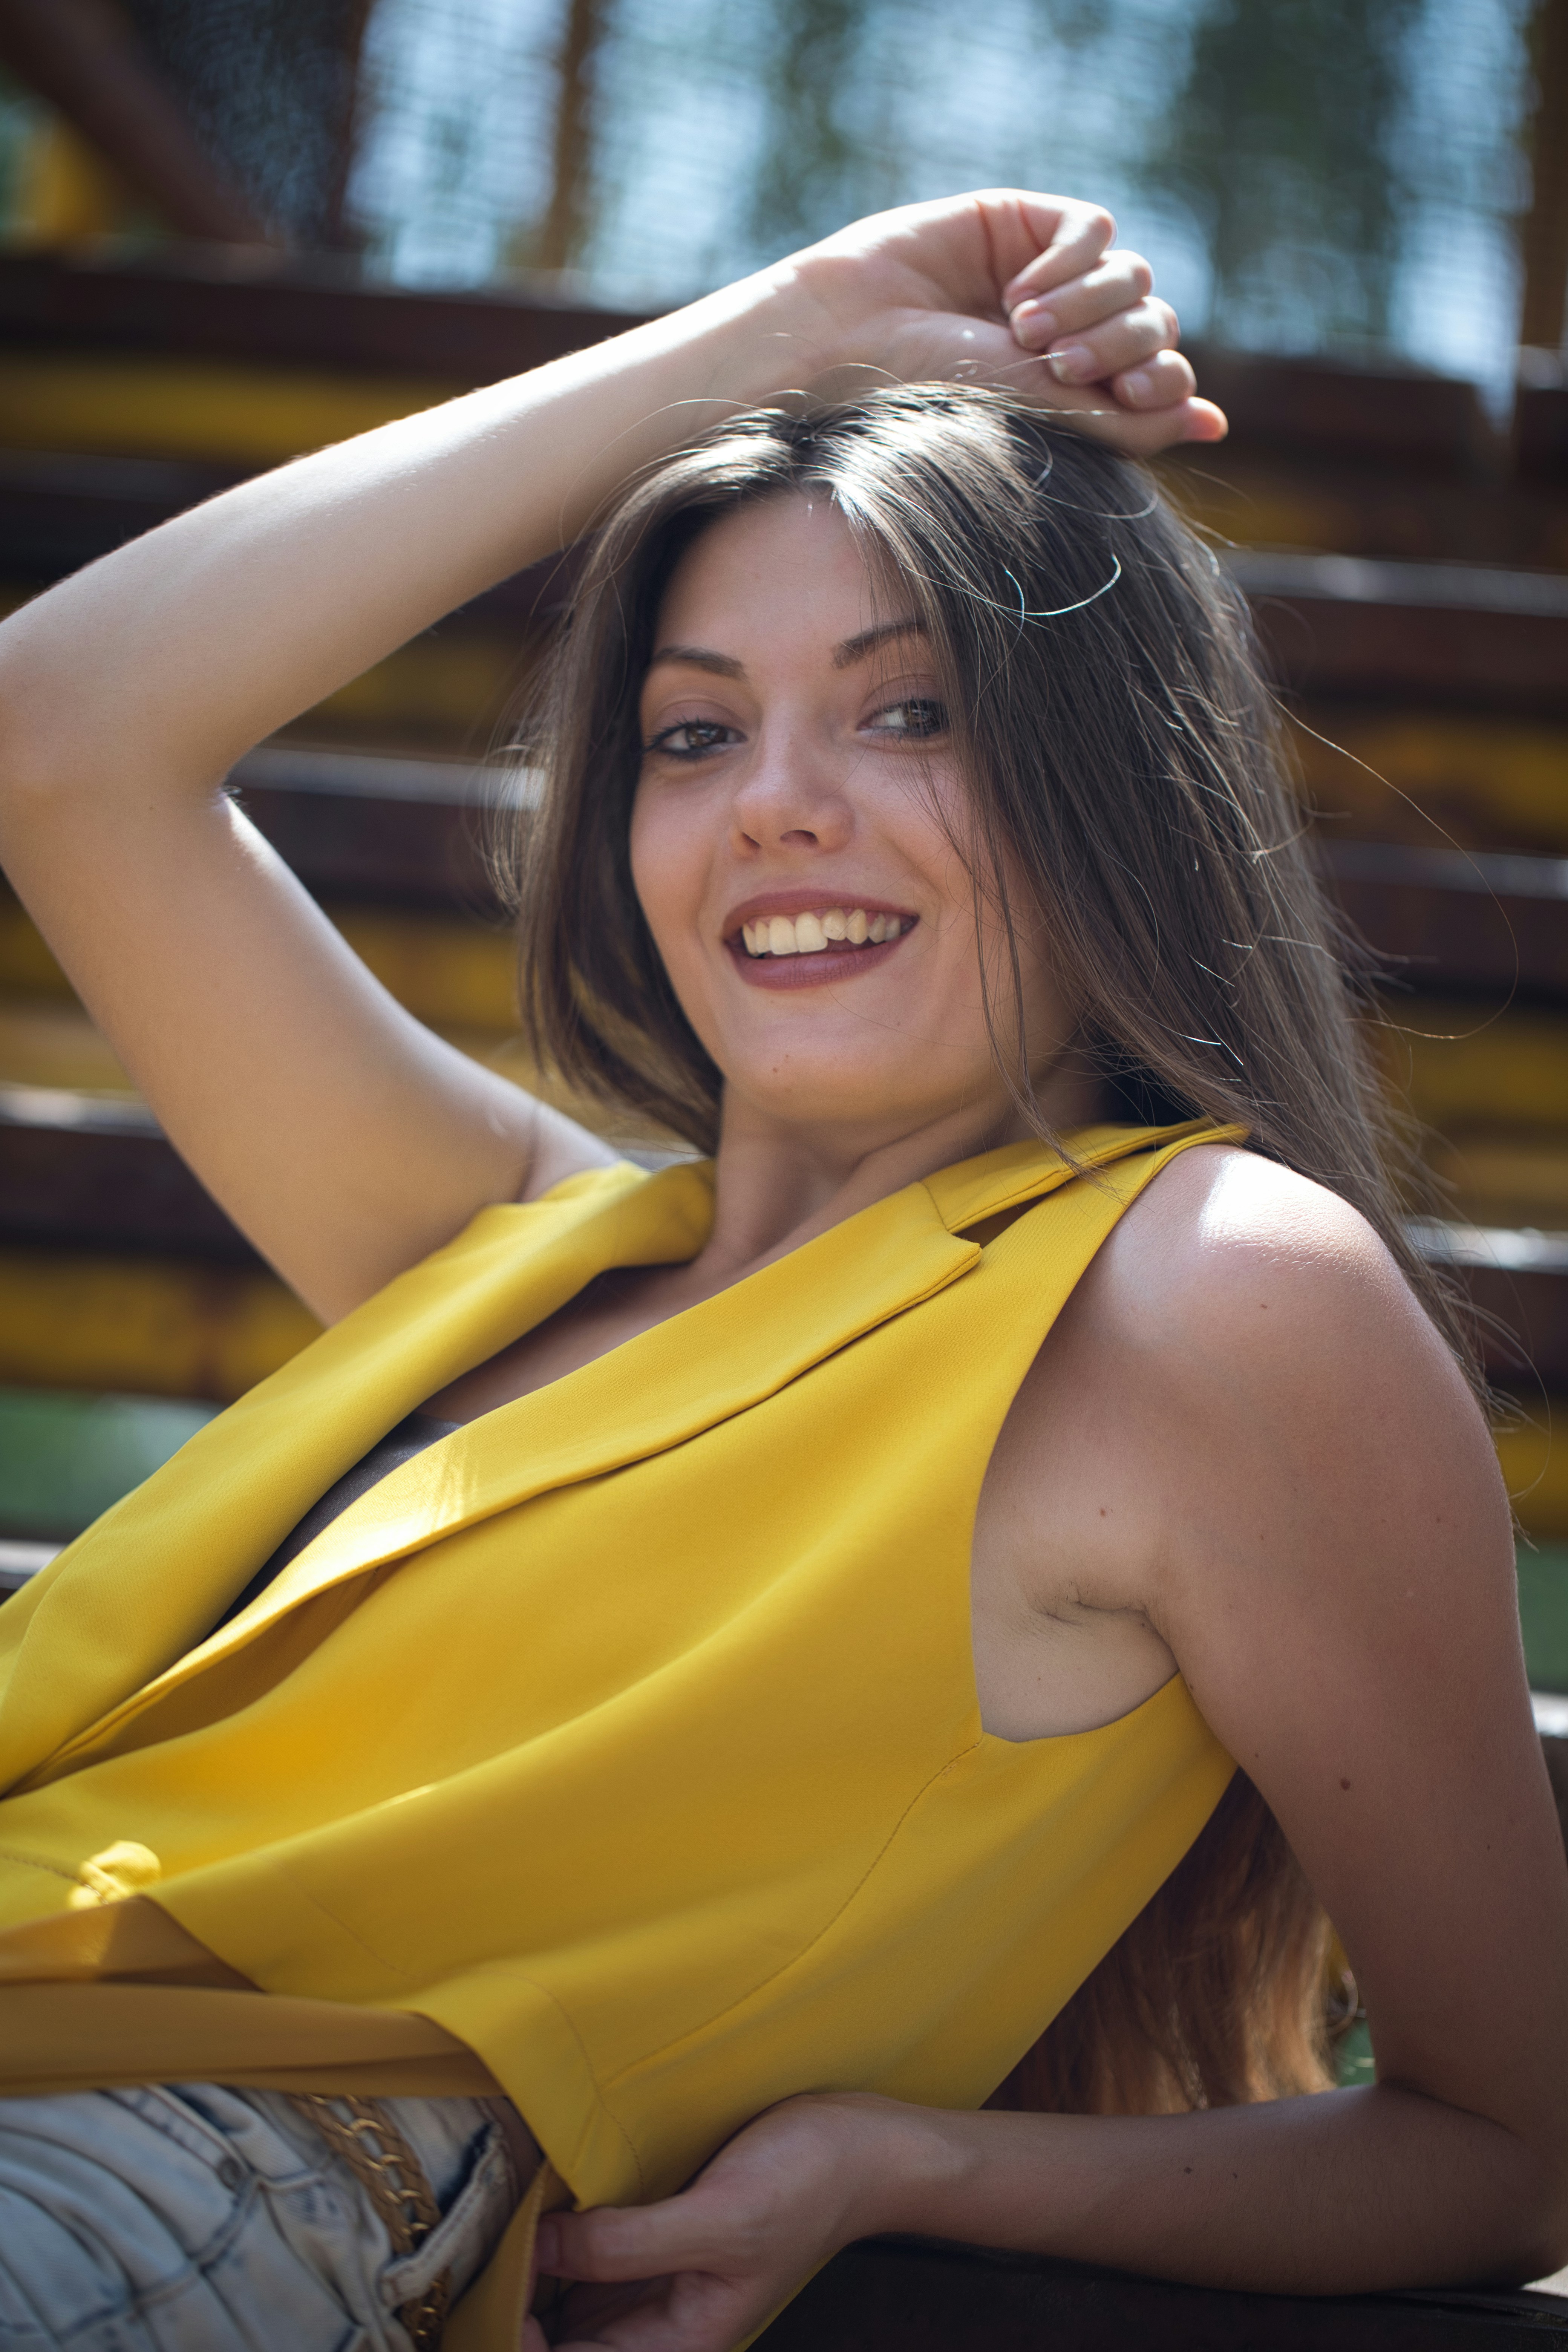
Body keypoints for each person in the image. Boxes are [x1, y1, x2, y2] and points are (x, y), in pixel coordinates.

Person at [0, 189, 1562, 2352]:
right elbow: (58, 731)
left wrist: (901, 2164)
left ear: (1102, 786)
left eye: (909, 714)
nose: (777, 809)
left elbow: (1508, 2138)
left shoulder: (1209, 1290)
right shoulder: (510, 1247)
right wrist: (776, 336)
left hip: (193, 2167)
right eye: (695, 730)